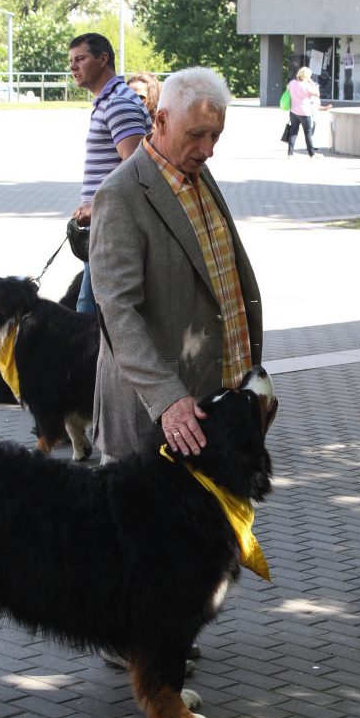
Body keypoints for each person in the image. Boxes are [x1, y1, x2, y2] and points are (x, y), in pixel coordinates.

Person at [89, 66, 262, 462]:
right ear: (162, 121)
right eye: (196, 134)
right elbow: (117, 311)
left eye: (215, 135)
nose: (208, 149)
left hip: (216, 405)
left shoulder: (198, 172)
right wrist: (166, 397)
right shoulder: (121, 194)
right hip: (157, 422)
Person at [69, 34, 150, 314]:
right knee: (92, 308)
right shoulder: (109, 101)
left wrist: (97, 206)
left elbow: (136, 166)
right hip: (105, 223)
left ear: (103, 59)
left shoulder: (118, 103)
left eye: (80, 59)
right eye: (71, 61)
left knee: (91, 311)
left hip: (114, 226)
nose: (73, 66)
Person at [286, 66, 321, 158]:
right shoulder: (306, 85)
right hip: (305, 113)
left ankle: (290, 154)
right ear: (307, 76)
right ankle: (312, 154)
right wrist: (312, 83)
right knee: (307, 134)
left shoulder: (292, 83)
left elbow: (287, 89)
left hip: (293, 111)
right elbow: (317, 94)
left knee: (293, 132)